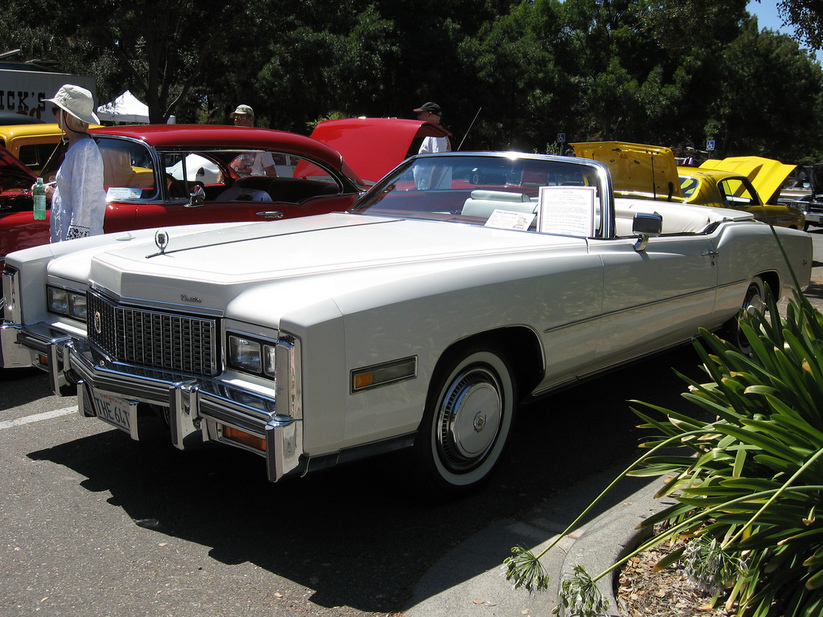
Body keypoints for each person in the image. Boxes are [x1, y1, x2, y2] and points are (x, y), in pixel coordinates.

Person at [43, 84, 107, 242]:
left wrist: (72, 249)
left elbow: (82, 210)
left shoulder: (84, 150)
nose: (54, 115)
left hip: (76, 247)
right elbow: (76, 195)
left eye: (55, 110)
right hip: (66, 242)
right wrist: (54, 193)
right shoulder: (78, 147)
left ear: (68, 116)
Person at [229, 104, 277, 177]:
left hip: (253, 185)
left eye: (241, 117)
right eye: (236, 118)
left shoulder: (260, 143)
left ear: (251, 120)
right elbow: (224, 168)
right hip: (234, 185)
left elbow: (271, 172)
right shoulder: (231, 142)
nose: (237, 121)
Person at [413, 101, 451, 189]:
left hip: (432, 188)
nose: (418, 117)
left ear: (429, 115)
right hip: (434, 187)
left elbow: (438, 163)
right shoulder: (437, 134)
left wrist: (431, 188)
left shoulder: (436, 136)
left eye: (421, 114)